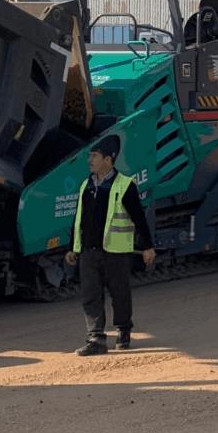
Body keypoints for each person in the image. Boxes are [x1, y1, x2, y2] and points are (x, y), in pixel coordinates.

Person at [64, 134, 155, 355]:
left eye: (94, 156)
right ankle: (96, 339)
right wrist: (73, 248)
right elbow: (79, 219)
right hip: (89, 251)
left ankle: (123, 330)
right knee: (90, 295)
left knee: (120, 294)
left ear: (108, 159)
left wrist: (147, 246)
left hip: (116, 252)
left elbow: (138, 217)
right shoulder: (87, 185)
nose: (90, 160)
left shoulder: (125, 186)